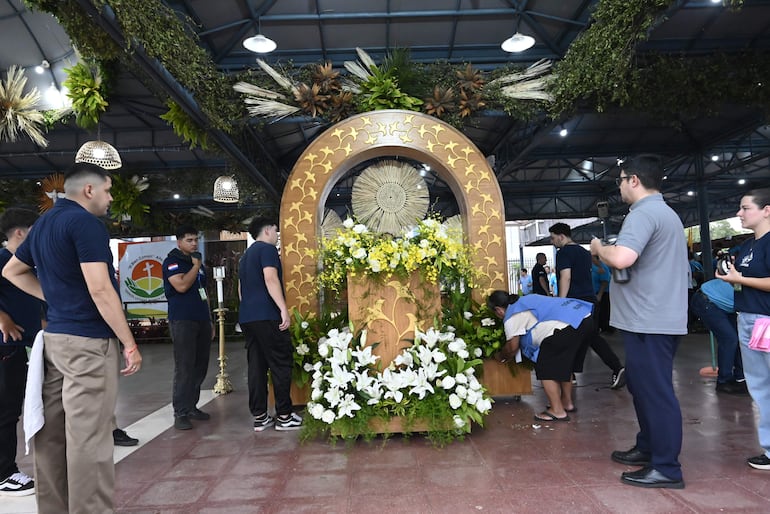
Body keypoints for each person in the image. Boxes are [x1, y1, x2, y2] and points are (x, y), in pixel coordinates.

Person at [2, 162, 143, 512]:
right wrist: (129, 342)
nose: (111, 198)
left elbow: (12, 270)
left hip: (55, 341)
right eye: (108, 190)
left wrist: (55, 297)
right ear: (89, 190)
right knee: (89, 439)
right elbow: (99, 288)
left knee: (51, 435)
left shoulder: (46, 222)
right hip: (89, 344)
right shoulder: (85, 224)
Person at [590, 154, 688, 489]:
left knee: (656, 393)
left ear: (634, 180)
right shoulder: (663, 213)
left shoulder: (644, 213)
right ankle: (648, 447)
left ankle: (667, 467)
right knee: (643, 388)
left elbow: (623, 257)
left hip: (651, 320)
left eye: (620, 179)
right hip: (649, 319)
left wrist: (599, 248)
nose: (618, 186)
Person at [719, 188, 770, 470]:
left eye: (745, 208)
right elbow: (746, 280)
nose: (739, 213)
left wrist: (742, 279)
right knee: (760, 387)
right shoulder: (749, 246)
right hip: (748, 317)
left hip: (766, 320)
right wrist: (733, 279)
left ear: (767, 210)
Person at [487, 291, 593, 421]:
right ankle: (567, 403)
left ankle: (557, 411)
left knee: (545, 367)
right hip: (582, 317)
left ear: (498, 310)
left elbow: (512, 348)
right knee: (565, 364)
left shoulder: (512, 315)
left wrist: (500, 356)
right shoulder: (526, 300)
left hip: (565, 327)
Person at [239, 218, 302, 432]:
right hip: (267, 315)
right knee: (280, 362)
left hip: (248, 317)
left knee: (256, 366)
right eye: (276, 231)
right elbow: (270, 278)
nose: (277, 235)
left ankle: (260, 416)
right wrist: (283, 308)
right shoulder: (267, 250)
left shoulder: (245, 256)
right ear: (267, 230)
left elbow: (241, 289)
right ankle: (284, 416)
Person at [550, 222, 626, 389]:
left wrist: (561, 302)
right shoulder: (584, 253)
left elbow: (566, 277)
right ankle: (617, 368)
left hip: (574, 304)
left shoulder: (563, 253)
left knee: (567, 338)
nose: (552, 241)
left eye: (553, 238)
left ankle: (568, 375)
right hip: (589, 302)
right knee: (591, 337)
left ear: (561, 237)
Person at [0, 209, 42, 497]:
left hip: (27, 345)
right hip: (7, 347)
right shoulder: (2, 259)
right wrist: (2, 318)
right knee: (6, 411)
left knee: (20, 408)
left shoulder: (27, 265)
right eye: (35, 231)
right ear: (20, 233)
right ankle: (4, 473)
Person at [162, 225, 214, 431]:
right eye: (189, 240)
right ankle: (180, 412)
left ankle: (192, 406)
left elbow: (203, 292)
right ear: (179, 242)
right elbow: (181, 285)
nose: (194, 243)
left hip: (200, 319)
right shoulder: (172, 262)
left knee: (200, 365)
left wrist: (209, 320)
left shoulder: (198, 263)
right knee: (184, 367)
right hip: (182, 320)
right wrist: (194, 266)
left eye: (195, 240)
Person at [690, 278, 746, 394]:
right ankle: (724, 382)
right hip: (707, 299)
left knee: (737, 338)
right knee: (729, 339)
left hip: (724, 304)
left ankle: (740, 378)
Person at [592, 254, 613, 333]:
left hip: (602, 293)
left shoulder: (602, 266)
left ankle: (606, 328)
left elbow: (605, 281)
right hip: (594, 292)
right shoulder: (592, 266)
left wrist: (599, 295)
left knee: (603, 312)